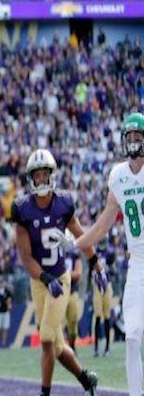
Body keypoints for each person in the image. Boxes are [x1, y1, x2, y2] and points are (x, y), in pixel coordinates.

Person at [52, 112, 144, 396]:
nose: (133, 141)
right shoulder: (118, 176)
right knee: (132, 337)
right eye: (130, 136)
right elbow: (103, 225)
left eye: (138, 136)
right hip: (138, 264)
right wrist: (74, 245)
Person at [13, 148, 100, 396]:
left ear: (52, 175)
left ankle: (45, 393)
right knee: (58, 347)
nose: (41, 180)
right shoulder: (22, 209)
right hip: (39, 281)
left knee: (47, 339)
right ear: (31, 179)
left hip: (60, 279)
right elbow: (25, 257)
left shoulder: (63, 204)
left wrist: (96, 263)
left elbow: (82, 236)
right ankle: (86, 379)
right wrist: (44, 277)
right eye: (37, 175)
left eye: (44, 174)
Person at [91, 238, 115, 357]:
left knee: (107, 316)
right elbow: (91, 268)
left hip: (107, 285)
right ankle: (96, 347)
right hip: (96, 285)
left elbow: (113, 270)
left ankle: (107, 347)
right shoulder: (94, 251)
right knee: (97, 316)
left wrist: (110, 268)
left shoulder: (110, 252)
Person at [64, 248, 82, 352]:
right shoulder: (55, 251)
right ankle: (60, 351)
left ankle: (72, 344)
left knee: (73, 321)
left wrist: (63, 275)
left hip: (72, 291)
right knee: (58, 325)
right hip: (59, 293)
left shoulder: (74, 253)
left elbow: (78, 273)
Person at [0, 278, 12, 348]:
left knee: (5, 328)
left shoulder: (7, 292)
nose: (1, 284)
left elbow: (10, 301)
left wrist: (9, 305)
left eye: (2, 282)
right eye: (0, 283)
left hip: (5, 312)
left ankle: (3, 343)